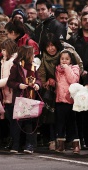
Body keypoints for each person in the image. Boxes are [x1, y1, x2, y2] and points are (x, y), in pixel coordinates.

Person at [7, 45, 41, 153]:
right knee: (18, 123)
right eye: (32, 54)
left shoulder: (33, 67)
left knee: (29, 123)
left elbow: (39, 80)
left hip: (30, 98)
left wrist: (37, 85)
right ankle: (16, 145)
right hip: (20, 99)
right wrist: (19, 85)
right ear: (27, 55)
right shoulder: (16, 67)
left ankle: (29, 145)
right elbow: (10, 82)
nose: (34, 56)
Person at [0, 38, 18, 149]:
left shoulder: (13, 62)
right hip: (6, 93)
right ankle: (12, 141)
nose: (2, 52)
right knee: (10, 119)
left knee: (14, 120)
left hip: (12, 93)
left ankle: (15, 142)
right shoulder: (5, 61)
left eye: (4, 50)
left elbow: (9, 78)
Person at [68, 11, 88, 149]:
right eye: (85, 19)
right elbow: (69, 58)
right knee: (79, 112)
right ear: (81, 20)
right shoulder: (74, 39)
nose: (87, 21)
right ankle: (80, 139)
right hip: (78, 80)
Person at [55, 49, 80, 154]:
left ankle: (75, 145)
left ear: (71, 60)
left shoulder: (75, 68)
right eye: (62, 59)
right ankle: (61, 145)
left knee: (71, 123)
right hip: (59, 100)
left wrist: (67, 69)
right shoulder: (57, 69)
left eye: (67, 59)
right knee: (60, 123)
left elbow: (73, 80)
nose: (64, 61)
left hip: (70, 101)